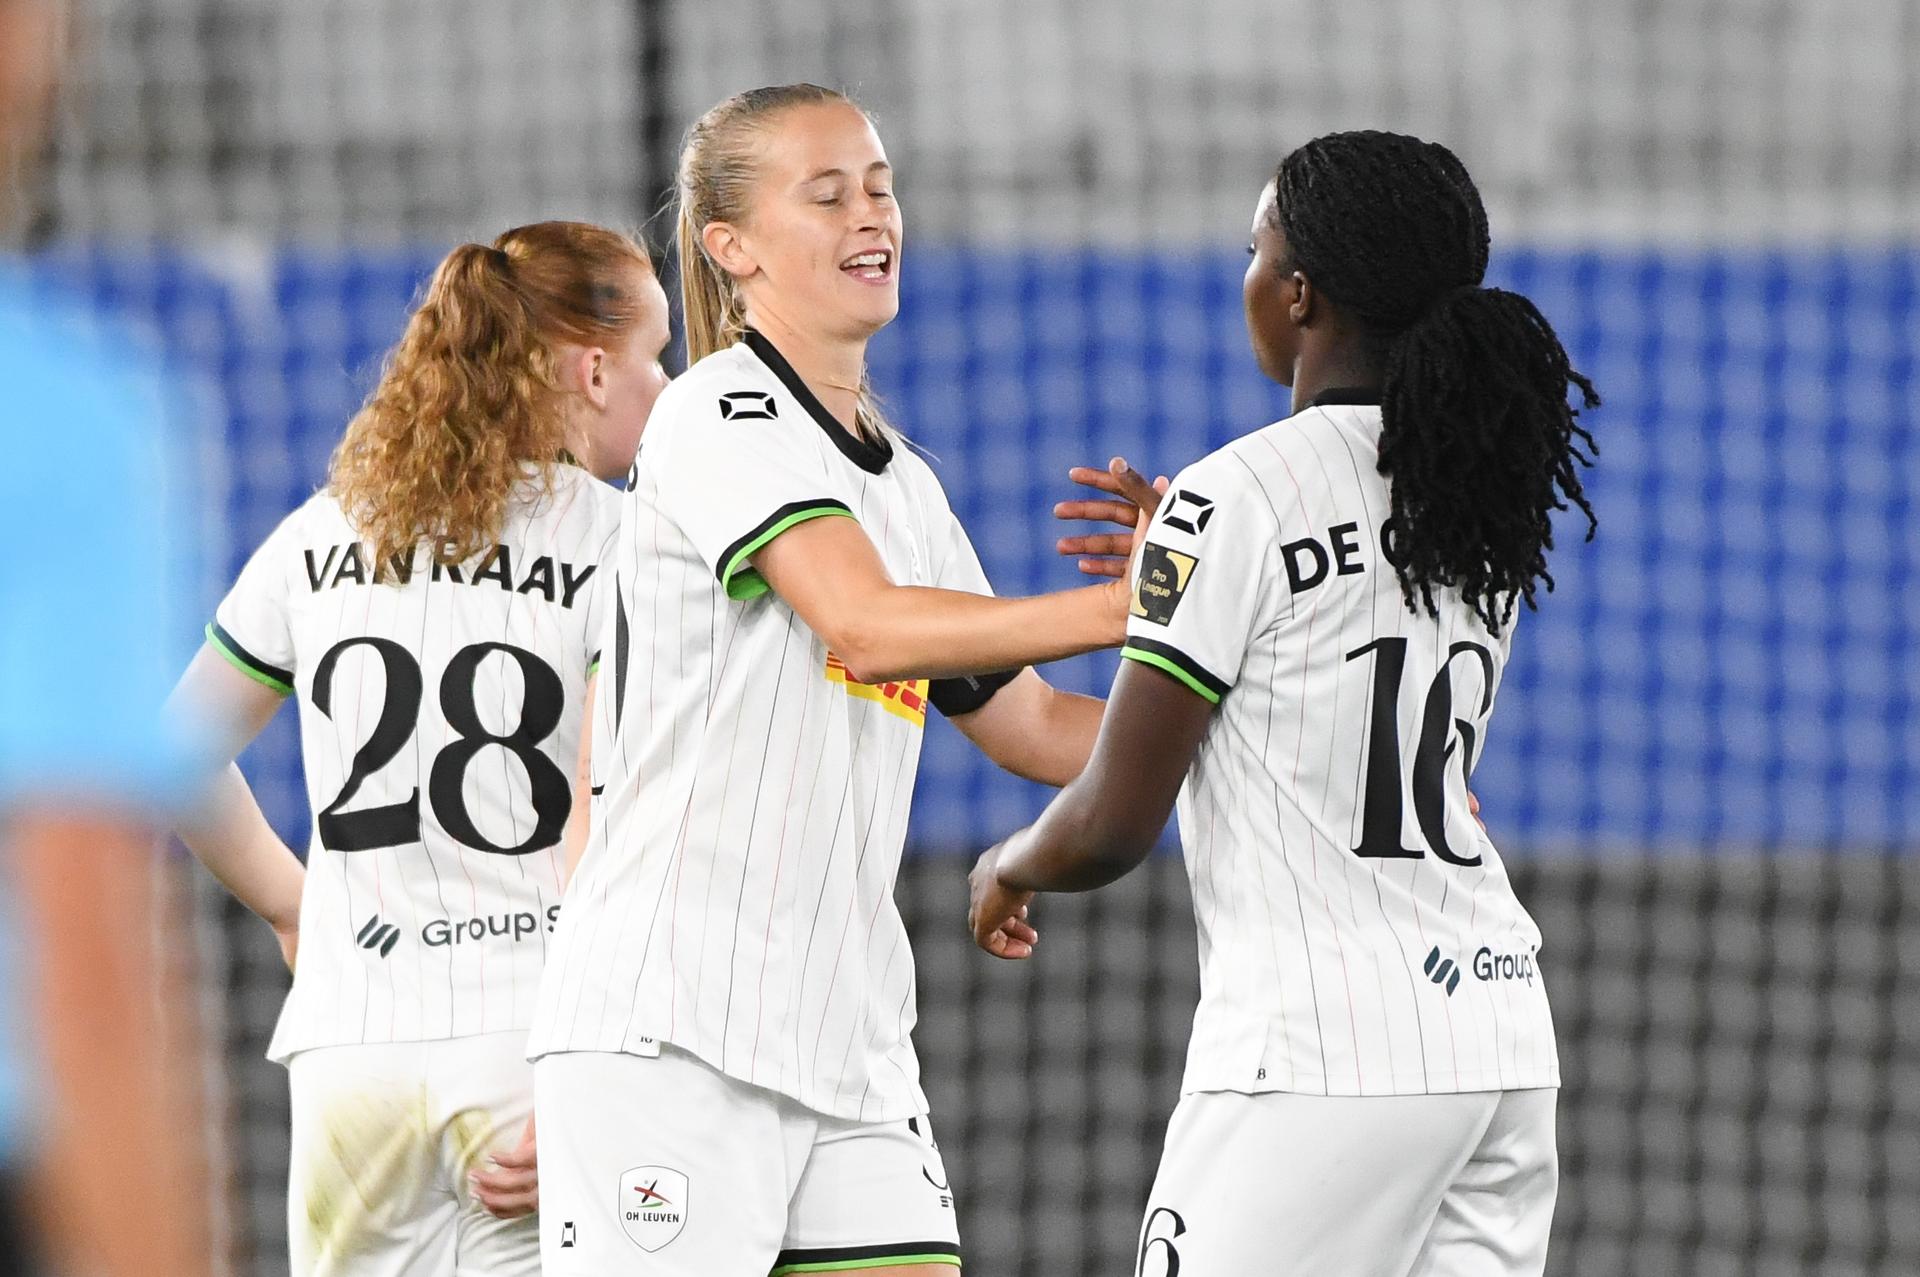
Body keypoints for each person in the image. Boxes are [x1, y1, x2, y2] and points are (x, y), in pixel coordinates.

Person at [527, 84, 1160, 1277]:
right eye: (827, 195)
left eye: (880, 187)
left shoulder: (905, 486)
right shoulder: (715, 413)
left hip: (850, 1040)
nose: (872, 214)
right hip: (673, 1029)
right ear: (733, 247)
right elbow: (865, 624)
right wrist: (1134, 606)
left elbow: (1033, 722)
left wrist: (1259, 722)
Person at [969, 130, 1600, 1277]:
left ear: (1299, 292)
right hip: (1498, 1039)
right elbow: (1308, 704)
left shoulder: (1233, 497)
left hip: (1319, 1053)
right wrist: (1183, 573)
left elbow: (1113, 818)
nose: (1247, 275)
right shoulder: (1478, 506)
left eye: (1255, 251)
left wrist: (1007, 865)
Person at [168, 220, 670, 1277]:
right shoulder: (622, 543)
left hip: (350, 1054)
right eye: (654, 358)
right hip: (530, 1043)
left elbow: (174, 753)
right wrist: (596, 1064)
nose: (664, 387)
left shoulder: (323, 530)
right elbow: (608, 816)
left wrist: (295, 907)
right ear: (591, 372)